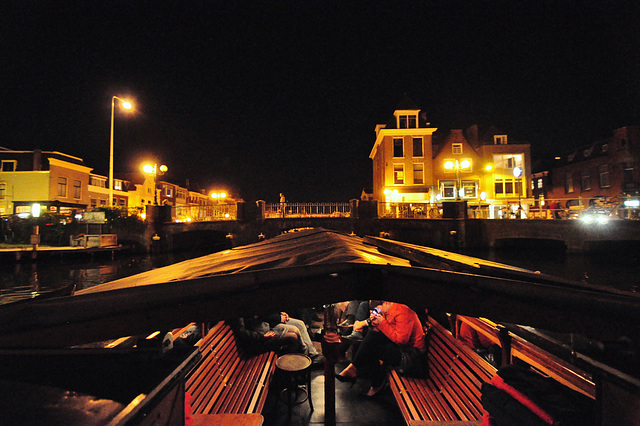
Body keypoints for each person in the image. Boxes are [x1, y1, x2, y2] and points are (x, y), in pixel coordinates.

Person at [336, 300, 426, 397]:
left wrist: (382, 322)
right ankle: (356, 369)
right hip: (401, 348)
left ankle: (373, 380)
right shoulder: (388, 310)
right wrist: (375, 322)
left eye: (378, 308)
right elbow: (387, 331)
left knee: (371, 349)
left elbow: (401, 340)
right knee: (372, 336)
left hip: (411, 355)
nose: (377, 311)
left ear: (386, 303)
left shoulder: (403, 312)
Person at [229, 316, 301, 355]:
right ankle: (287, 374)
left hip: (265, 333)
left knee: (294, 332)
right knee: (292, 338)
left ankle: (293, 371)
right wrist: (262, 336)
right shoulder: (237, 311)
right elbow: (242, 333)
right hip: (257, 342)